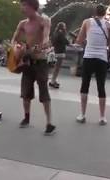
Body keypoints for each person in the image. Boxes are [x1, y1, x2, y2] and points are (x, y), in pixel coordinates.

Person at [12, 0, 56, 135]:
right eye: (22, 5)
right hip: (27, 61)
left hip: (41, 61)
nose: (22, 8)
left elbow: (46, 38)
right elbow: (14, 40)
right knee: (25, 92)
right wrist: (19, 48)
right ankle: (26, 118)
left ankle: (49, 123)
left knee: (44, 92)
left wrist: (40, 47)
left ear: (32, 7)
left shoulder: (44, 21)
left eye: (24, 5)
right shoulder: (22, 23)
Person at [75, 4, 110, 125]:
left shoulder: (87, 22)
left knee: (85, 85)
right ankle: (102, 117)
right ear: (104, 13)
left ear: (95, 12)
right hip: (101, 59)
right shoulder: (109, 25)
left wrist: (82, 42)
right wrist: (107, 47)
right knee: (101, 87)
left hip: (88, 57)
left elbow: (80, 40)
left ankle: (82, 115)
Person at [49, 22, 69, 89]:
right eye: (64, 26)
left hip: (55, 51)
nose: (65, 28)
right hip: (60, 52)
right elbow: (67, 42)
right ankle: (52, 81)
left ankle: (53, 80)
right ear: (62, 27)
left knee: (55, 67)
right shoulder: (61, 34)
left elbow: (53, 42)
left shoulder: (55, 33)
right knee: (57, 68)